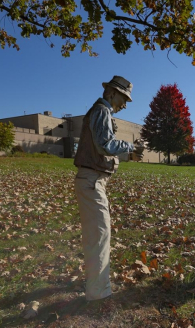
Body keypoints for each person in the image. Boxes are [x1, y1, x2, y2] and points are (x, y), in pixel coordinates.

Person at [74, 75, 144, 303]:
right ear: (112, 93)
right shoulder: (102, 111)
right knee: (100, 236)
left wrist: (128, 154)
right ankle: (98, 295)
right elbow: (105, 145)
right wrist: (131, 146)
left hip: (93, 181)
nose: (125, 104)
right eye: (124, 98)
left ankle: (95, 284)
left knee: (96, 235)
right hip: (92, 181)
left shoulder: (101, 112)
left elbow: (101, 147)